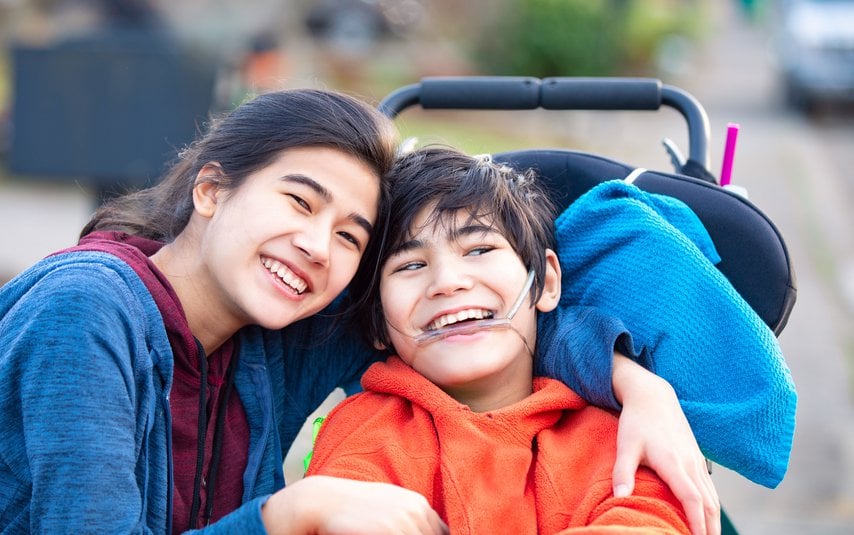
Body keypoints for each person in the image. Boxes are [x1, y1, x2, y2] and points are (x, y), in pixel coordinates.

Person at [0, 90, 718, 535]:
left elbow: (472, 319)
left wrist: (634, 381)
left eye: (349, 234)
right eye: (298, 200)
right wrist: (286, 512)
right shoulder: (85, 313)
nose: (314, 245)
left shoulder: (274, 335)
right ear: (210, 188)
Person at [306, 146, 794, 534]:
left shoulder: (616, 435)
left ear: (545, 284)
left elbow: (650, 521)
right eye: (411, 265)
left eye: (479, 248)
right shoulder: (366, 431)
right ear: (375, 324)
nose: (447, 281)